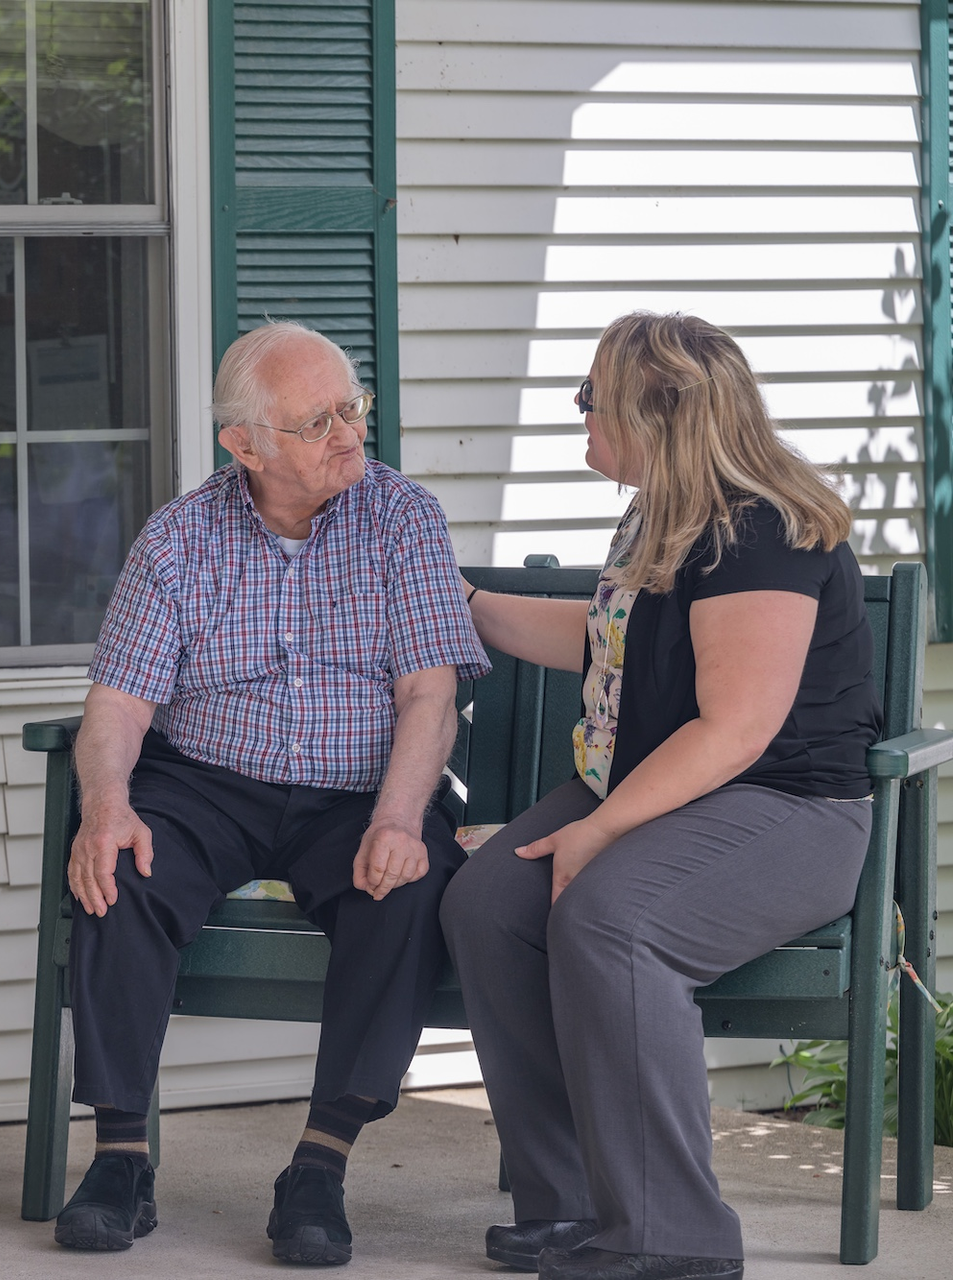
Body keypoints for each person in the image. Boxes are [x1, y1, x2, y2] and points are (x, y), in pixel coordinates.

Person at [440, 312, 880, 1280]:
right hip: (674, 790)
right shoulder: (663, 512)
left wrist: (596, 829)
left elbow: (737, 728)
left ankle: (671, 1234)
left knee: (610, 921)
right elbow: (608, 640)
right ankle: (570, 1207)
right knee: (488, 903)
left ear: (658, 412)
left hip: (790, 810)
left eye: (592, 396)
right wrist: (461, 601)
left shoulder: (756, 529)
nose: (580, 412)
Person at [54, 321, 490, 1264]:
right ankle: (120, 1158)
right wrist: (105, 805)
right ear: (244, 445)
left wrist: (398, 819)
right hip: (209, 785)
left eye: (352, 408)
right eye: (317, 420)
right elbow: (119, 706)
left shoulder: (403, 519)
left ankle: (319, 1166)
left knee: (406, 885)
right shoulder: (178, 537)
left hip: (355, 793)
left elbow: (430, 694)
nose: (349, 434)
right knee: (117, 863)